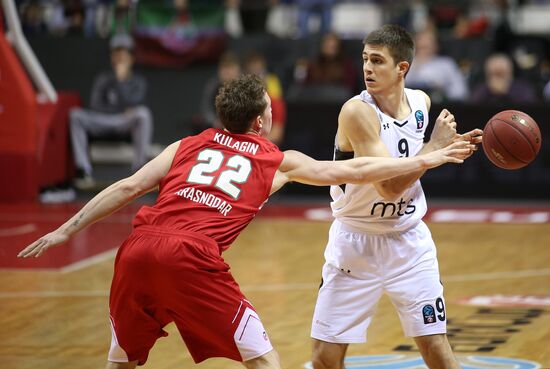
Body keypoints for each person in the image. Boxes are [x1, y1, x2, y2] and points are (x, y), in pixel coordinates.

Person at [18, 74, 473, 369]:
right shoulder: (275, 159)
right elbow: (354, 171)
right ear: (260, 120)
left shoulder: (185, 145)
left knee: (121, 362)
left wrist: (66, 229)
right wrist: (429, 158)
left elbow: (125, 188)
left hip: (136, 250)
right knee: (265, 363)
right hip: (190, 256)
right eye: (270, 110)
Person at [310, 25, 482, 369]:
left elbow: (419, 156)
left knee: (436, 348)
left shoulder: (421, 103)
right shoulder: (357, 112)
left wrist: (447, 146)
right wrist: (434, 148)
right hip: (355, 241)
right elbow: (387, 185)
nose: (367, 69)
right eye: (364, 59)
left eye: (377, 61)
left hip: (408, 240)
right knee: (325, 359)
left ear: (402, 67)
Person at [69, 33, 153, 189]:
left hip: (125, 123)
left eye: (123, 54)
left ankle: (139, 169)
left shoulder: (138, 81)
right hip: (104, 121)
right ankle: (83, 170)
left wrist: (121, 82)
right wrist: (121, 108)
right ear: (111, 58)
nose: (120, 58)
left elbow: (136, 103)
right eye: (116, 55)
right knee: (76, 115)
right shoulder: (104, 79)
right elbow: (95, 106)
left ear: (131, 58)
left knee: (143, 114)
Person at [405, 28, 468, 102]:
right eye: (421, 47)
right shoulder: (406, 63)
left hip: (439, 104)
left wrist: (444, 92)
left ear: (436, 46)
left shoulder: (446, 64)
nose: (423, 51)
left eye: (427, 47)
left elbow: (461, 91)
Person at [244, 51, 287, 146]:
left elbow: (276, 134)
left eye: (258, 72)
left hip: (264, 147)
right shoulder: (241, 102)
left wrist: (254, 146)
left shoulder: (275, 102)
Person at [193, 51, 241, 133]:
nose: (227, 73)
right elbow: (206, 108)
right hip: (216, 125)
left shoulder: (244, 87)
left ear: (238, 70)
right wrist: (214, 121)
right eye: (224, 69)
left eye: (230, 69)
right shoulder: (213, 86)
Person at [471, 53, 538, 104]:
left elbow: (529, 106)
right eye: (494, 74)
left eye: (501, 73)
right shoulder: (482, 90)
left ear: (510, 72)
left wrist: (505, 93)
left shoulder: (523, 88)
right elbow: (474, 106)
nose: (498, 79)